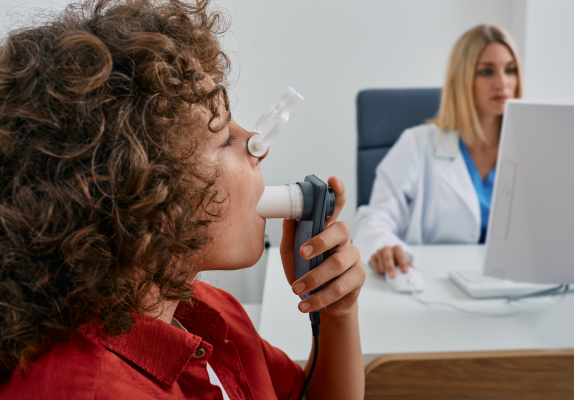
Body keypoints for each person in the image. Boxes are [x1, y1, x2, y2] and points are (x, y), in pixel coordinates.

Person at [0, 1, 365, 399]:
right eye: (224, 137)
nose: (257, 148)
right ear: (143, 198)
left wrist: (336, 313)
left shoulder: (209, 313)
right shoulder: (92, 390)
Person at [353, 25, 522, 278]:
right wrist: (383, 246)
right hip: (436, 281)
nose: (502, 83)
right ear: (461, 79)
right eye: (486, 72)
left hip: (516, 283)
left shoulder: (529, 146)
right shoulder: (418, 144)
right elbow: (373, 221)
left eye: (510, 70)